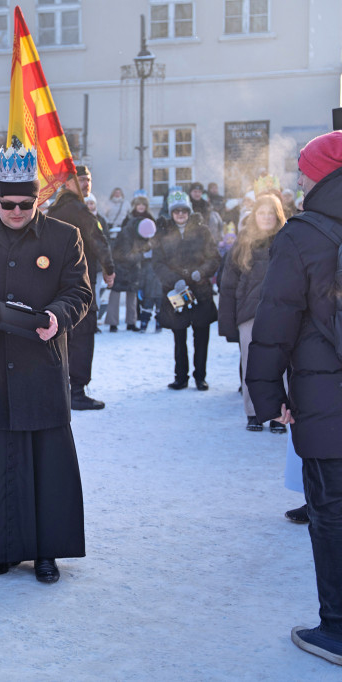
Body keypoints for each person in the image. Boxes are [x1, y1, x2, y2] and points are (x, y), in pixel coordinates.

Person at [0, 138, 91, 584]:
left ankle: (47, 552)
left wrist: (57, 316)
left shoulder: (65, 237)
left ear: (37, 199)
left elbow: (79, 292)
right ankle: (1, 547)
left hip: (41, 364)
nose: (15, 211)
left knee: (46, 463)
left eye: (24, 204)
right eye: (7, 204)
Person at [246, 130, 342, 666]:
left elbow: (276, 319)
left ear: (322, 174)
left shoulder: (303, 235)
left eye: (304, 170)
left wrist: (264, 394)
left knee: (331, 514)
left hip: (325, 398)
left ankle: (337, 629)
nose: (299, 179)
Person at [46, 164, 114, 410]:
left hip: (56, 285)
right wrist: (109, 267)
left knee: (62, 334)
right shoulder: (79, 208)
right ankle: (76, 391)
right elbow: (98, 239)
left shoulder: (54, 209)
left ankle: (63, 389)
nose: (86, 184)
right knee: (83, 336)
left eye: (88, 179)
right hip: (80, 283)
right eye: (80, 180)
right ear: (67, 183)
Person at [217, 193, 287, 432]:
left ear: (277, 216)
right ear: (254, 215)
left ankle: (280, 413)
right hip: (249, 313)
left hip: (282, 312)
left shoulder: (287, 240)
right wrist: (227, 322)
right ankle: (253, 412)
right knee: (251, 365)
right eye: (262, 213)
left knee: (281, 365)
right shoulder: (242, 243)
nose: (266, 218)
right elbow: (228, 285)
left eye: (270, 213)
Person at [153, 189, 221, 390]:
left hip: (200, 290)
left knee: (201, 336)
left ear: (189, 211)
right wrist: (174, 280)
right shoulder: (164, 233)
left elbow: (214, 257)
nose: (180, 214)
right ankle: (180, 377)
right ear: (171, 213)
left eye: (184, 210)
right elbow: (157, 263)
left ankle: (200, 376)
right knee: (179, 335)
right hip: (176, 292)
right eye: (176, 211)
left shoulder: (202, 231)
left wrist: (201, 272)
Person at [107, 192, 152, 332]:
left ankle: (131, 322)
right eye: (139, 204)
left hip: (134, 266)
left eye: (143, 204)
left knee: (132, 293)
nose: (141, 207)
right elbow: (126, 252)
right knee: (116, 292)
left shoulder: (145, 223)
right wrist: (140, 255)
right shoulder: (128, 228)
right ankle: (113, 323)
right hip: (122, 265)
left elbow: (148, 241)